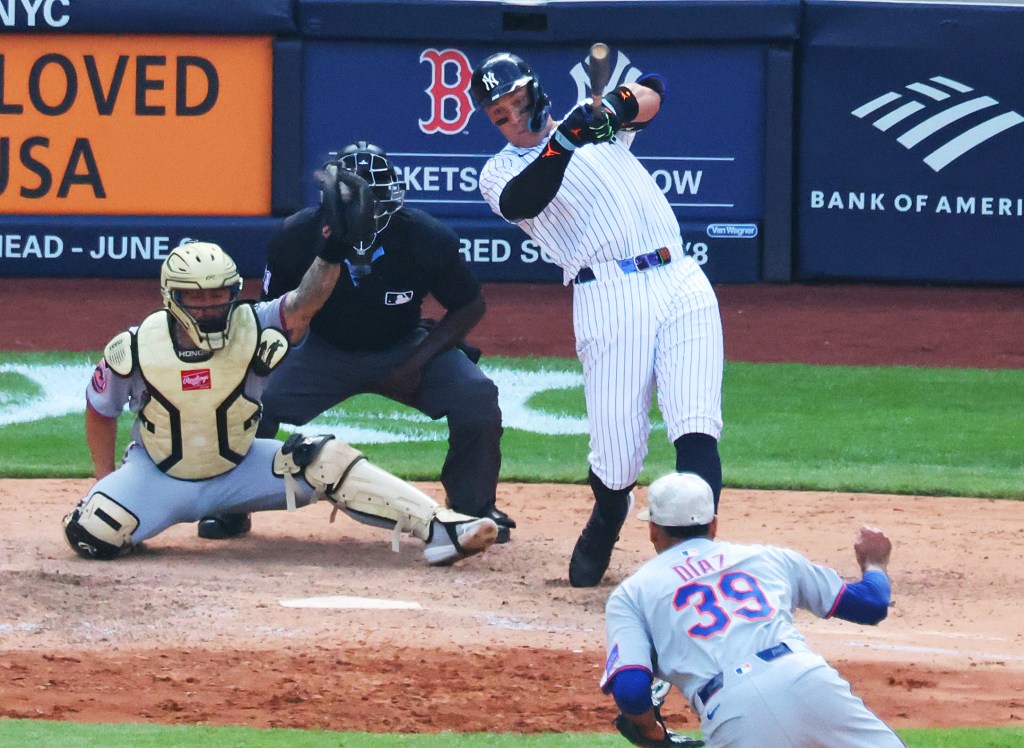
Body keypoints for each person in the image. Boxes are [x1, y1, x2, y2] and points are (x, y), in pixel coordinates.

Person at [62, 216, 500, 567]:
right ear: (172, 297)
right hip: (158, 476)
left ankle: (442, 528)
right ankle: (137, 515)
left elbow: (305, 301)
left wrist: (331, 251)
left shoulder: (253, 323)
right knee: (90, 536)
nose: (211, 306)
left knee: (326, 459)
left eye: (220, 294)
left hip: (240, 470)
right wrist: (106, 479)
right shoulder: (135, 347)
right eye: (198, 297)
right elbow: (100, 409)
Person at [471, 52, 724, 586]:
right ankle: (609, 514)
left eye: (516, 102)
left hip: (681, 277)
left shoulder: (591, 125)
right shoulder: (500, 171)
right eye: (499, 115)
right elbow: (524, 200)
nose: (512, 118)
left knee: (696, 426)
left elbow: (654, 90)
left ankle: (696, 564)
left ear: (535, 91)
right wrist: (566, 141)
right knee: (618, 453)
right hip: (608, 295)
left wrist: (614, 108)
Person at [201, 141, 513, 544]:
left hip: (404, 345)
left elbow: (470, 304)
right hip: (319, 347)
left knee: (476, 396)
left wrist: (416, 363)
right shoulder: (296, 235)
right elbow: (273, 312)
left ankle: (473, 509)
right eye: (357, 202)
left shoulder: (426, 236)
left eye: (376, 201)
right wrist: (264, 367)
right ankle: (231, 506)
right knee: (249, 398)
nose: (368, 211)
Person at [601, 472, 905, 748]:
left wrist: (653, 734)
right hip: (809, 680)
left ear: (653, 530)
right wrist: (874, 562)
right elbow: (870, 604)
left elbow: (630, 690)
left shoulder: (632, 594)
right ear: (714, 524)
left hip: (732, 711)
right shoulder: (769, 558)